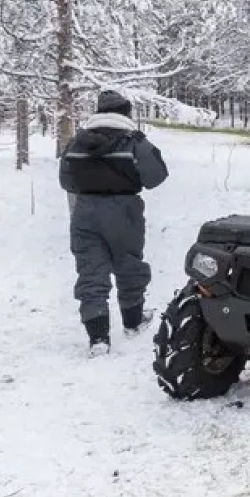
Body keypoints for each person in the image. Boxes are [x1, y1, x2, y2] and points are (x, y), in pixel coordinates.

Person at [58, 89, 169, 355]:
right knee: (129, 265)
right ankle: (133, 321)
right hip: (124, 210)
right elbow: (156, 177)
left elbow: (66, 181)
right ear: (126, 112)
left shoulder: (77, 142)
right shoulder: (133, 142)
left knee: (90, 272)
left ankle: (98, 337)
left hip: (84, 212)